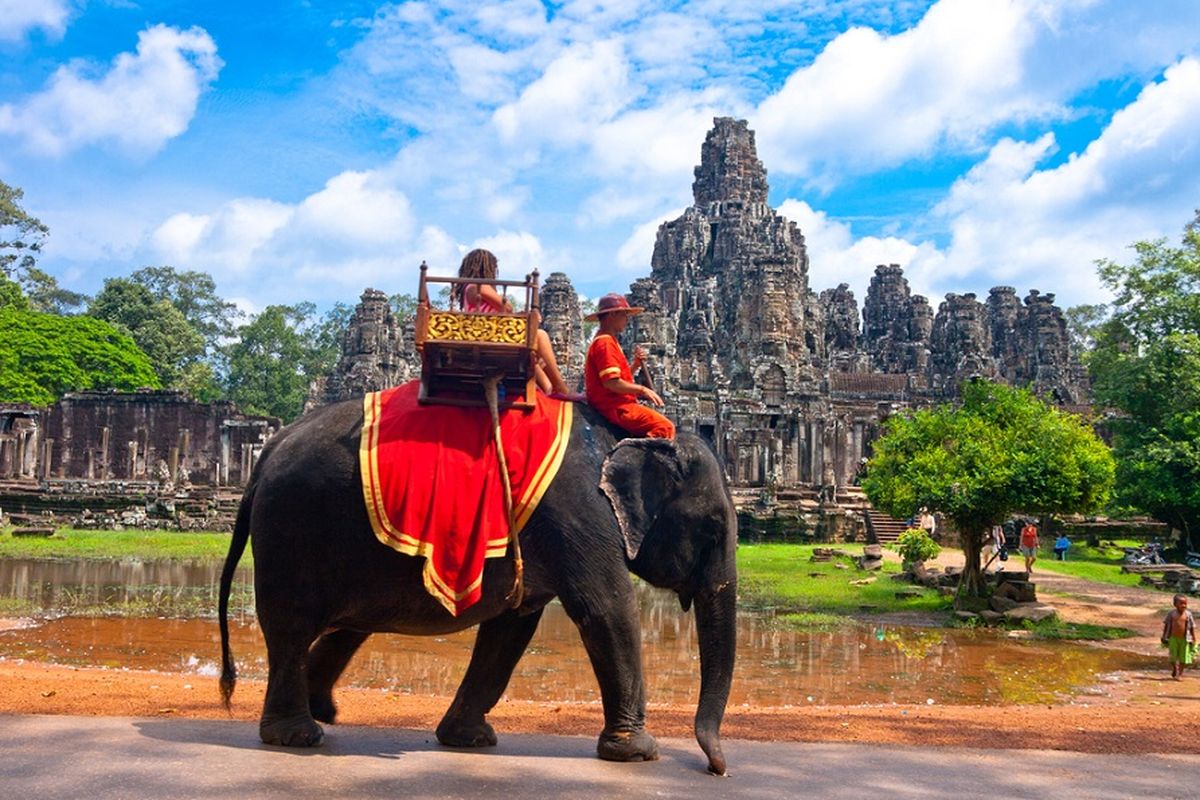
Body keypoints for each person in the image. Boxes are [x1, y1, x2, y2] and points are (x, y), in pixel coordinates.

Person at [455, 249, 573, 397]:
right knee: (540, 335)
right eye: (493, 268)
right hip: (488, 337)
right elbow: (506, 307)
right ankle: (561, 388)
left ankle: (549, 390)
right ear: (485, 267)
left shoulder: (469, 288)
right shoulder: (478, 285)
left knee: (532, 351)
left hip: (486, 334)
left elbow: (501, 312)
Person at [584, 293, 675, 439]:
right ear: (612, 314)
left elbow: (618, 379)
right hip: (616, 407)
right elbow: (611, 383)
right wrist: (642, 389)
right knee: (664, 427)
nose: (627, 320)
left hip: (617, 403)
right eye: (624, 315)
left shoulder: (609, 341)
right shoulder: (605, 343)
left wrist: (635, 365)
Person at [1161, 594, 1196, 680]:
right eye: (1181, 603)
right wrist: (1164, 636)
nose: (1183, 605)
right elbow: (1166, 625)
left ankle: (1179, 674)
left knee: (1183, 657)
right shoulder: (1171, 614)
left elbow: (1191, 627)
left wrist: (1193, 638)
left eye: (1185, 603)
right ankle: (1175, 668)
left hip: (1185, 639)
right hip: (1173, 638)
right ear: (1175, 604)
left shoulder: (1188, 614)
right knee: (1172, 656)